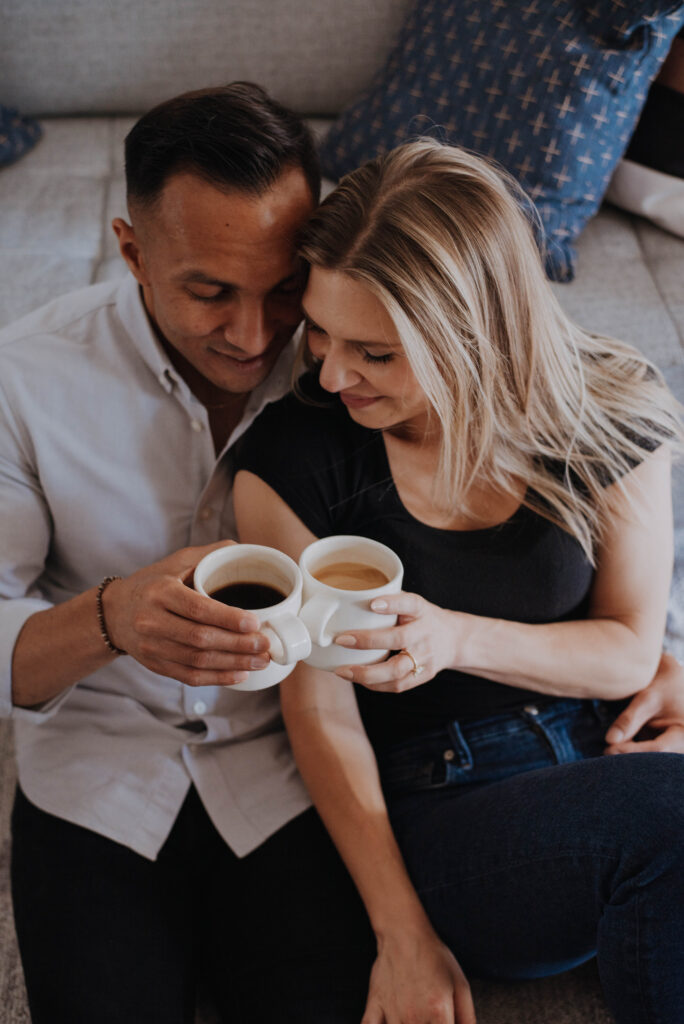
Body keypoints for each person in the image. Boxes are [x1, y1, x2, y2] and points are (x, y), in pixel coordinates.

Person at [233, 139, 684, 1024]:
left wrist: (454, 635)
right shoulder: (298, 457)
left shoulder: (611, 407)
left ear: (478, 333)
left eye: (376, 352)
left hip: (610, 762)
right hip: (452, 809)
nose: (331, 373)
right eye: (322, 332)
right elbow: (317, 711)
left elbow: (631, 648)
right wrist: (402, 935)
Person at [2, 83, 378, 1024]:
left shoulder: (356, 351)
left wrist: (655, 636)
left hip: (301, 768)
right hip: (96, 777)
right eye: (210, 291)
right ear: (132, 251)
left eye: (283, 286)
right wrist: (107, 617)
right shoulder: (25, 380)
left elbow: (552, 416)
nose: (255, 337)